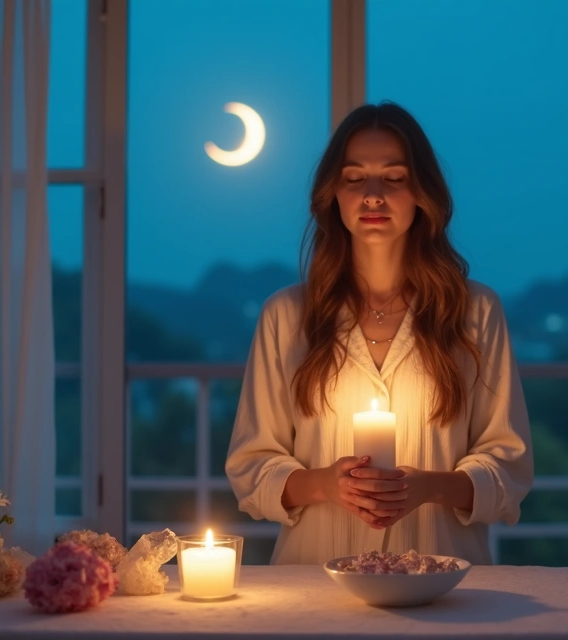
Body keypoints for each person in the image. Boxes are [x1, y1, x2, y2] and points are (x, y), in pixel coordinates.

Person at [225, 101, 533, 565]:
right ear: (334, 195)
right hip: (312, 585)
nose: (373, 195)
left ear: (422, 193)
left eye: (393, 178)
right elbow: (251, 465)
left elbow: (508, 464)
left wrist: (426, 487)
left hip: (442, 580)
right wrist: (325, 484)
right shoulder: (286, 316)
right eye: (354, 179)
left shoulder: (475, 312)